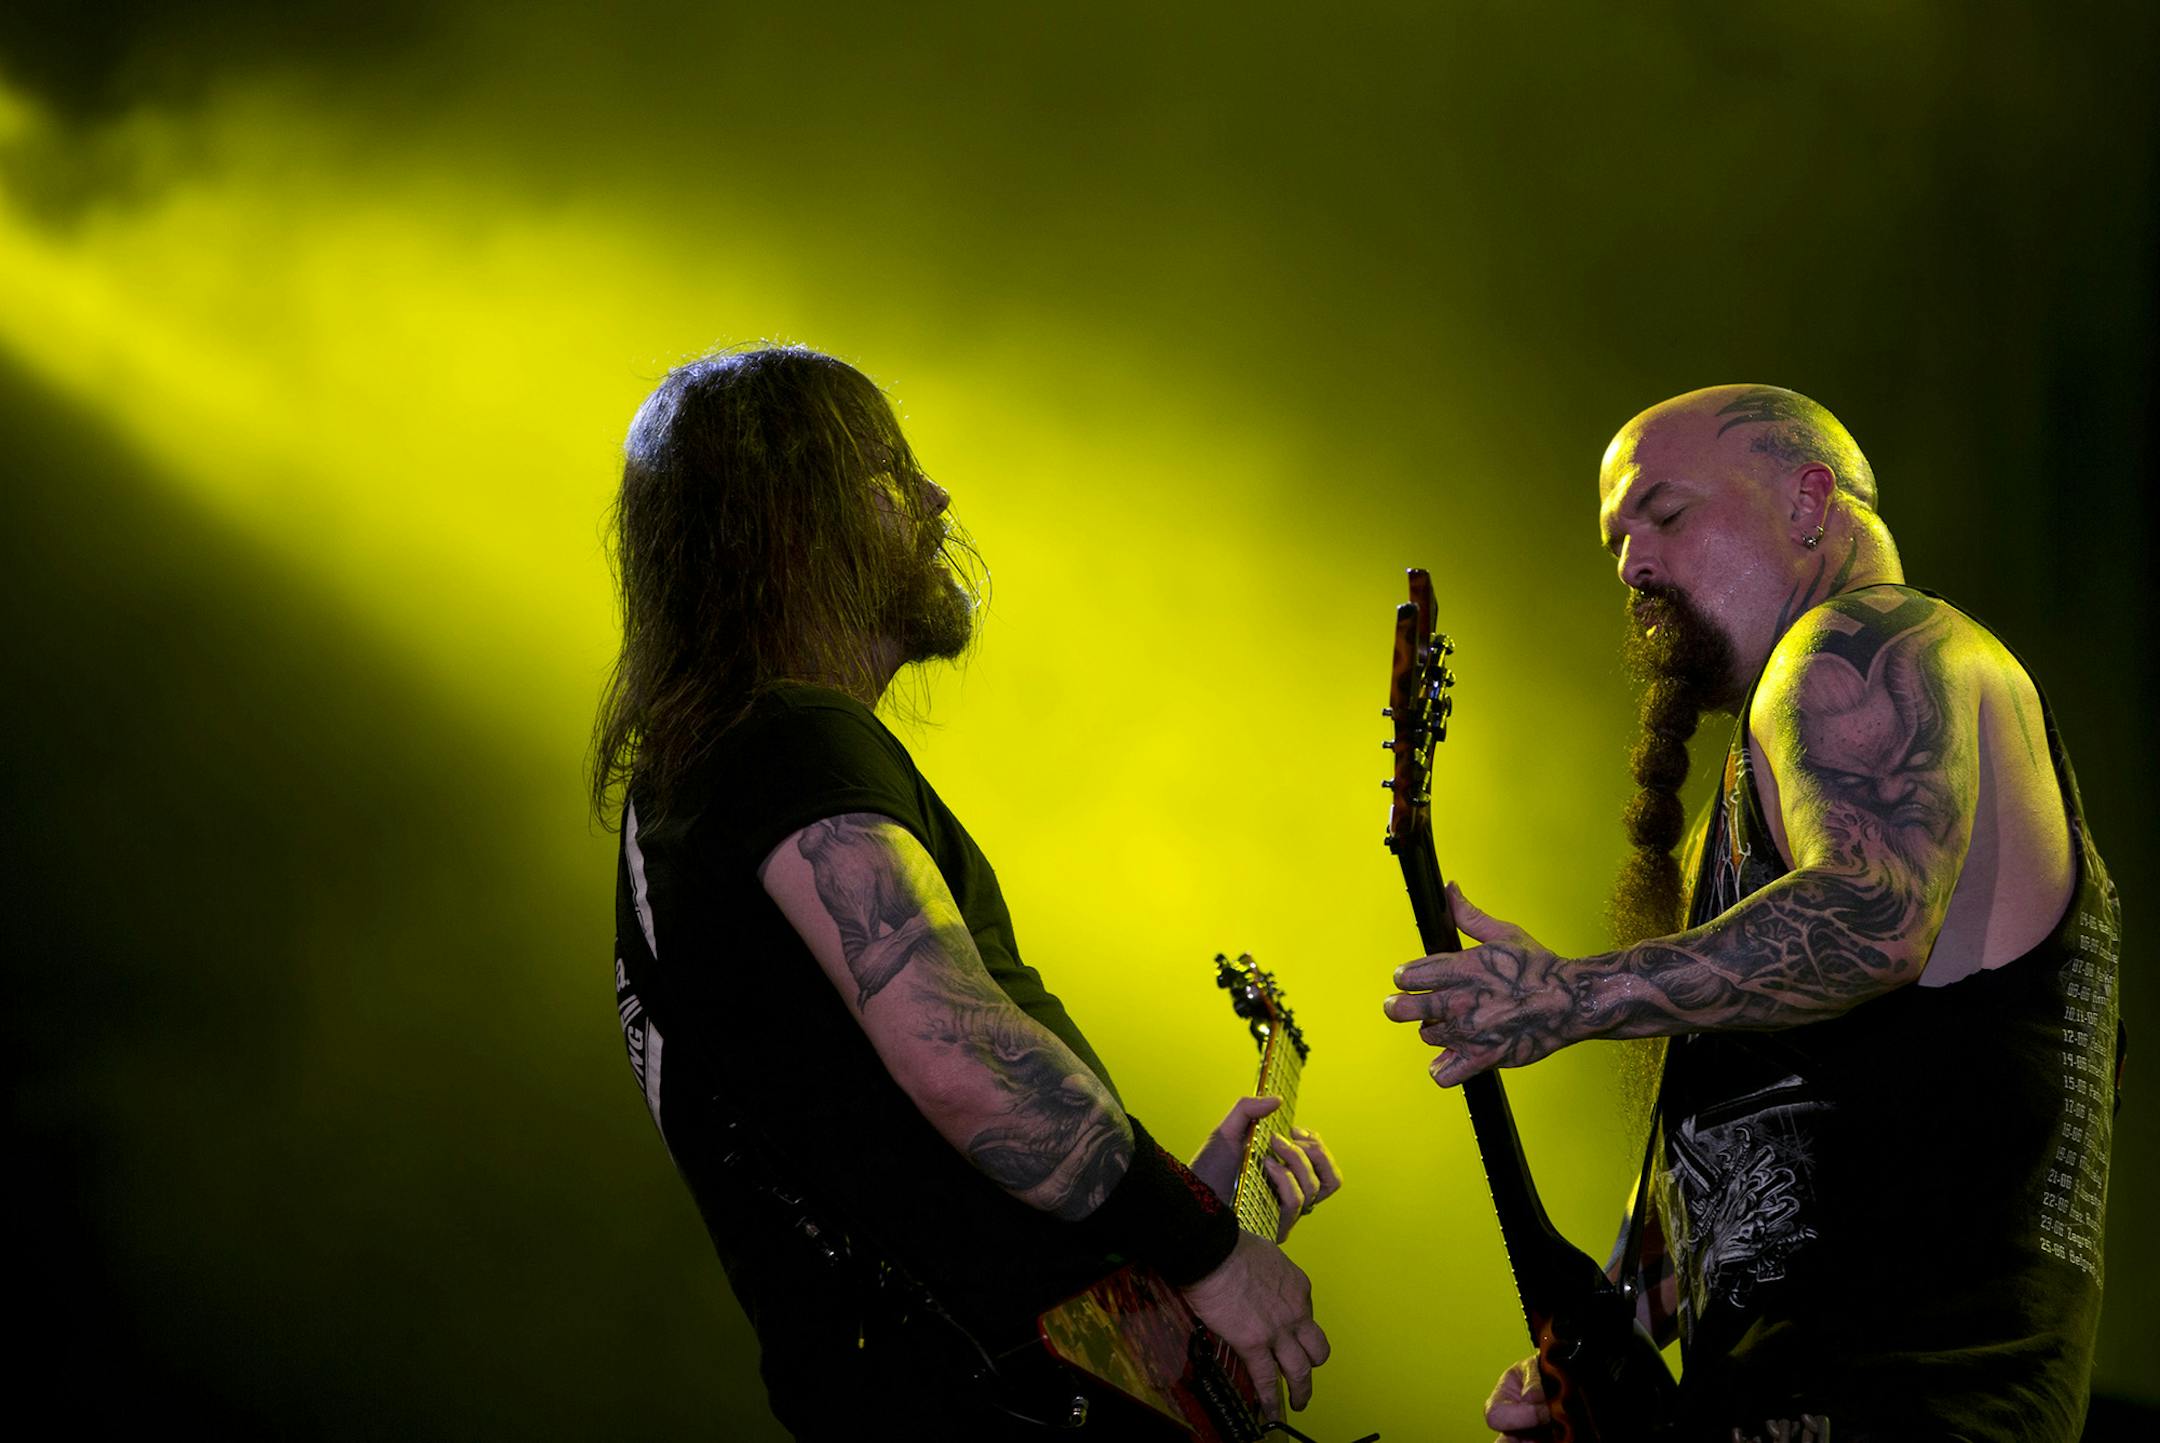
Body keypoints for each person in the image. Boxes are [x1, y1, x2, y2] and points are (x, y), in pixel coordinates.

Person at [589, 345, 1339, 1440]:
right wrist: (1206, 1249)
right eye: (889, 474)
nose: (936, 498)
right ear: (800, 525)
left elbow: (892, 1160)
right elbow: (964, 1057)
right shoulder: (788, 739)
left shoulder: (701, 789)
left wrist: (1147, 1226)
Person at [1383, 385, 2121, 1441]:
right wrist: (1597, 1358)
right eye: (1616, 542)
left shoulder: (1867, 646)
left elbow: (1874, 915)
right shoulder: (1743, 811)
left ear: (1809, 503)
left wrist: (1571, 994)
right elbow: (1752, 1168)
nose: (1633, 564)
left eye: (1667, 514)